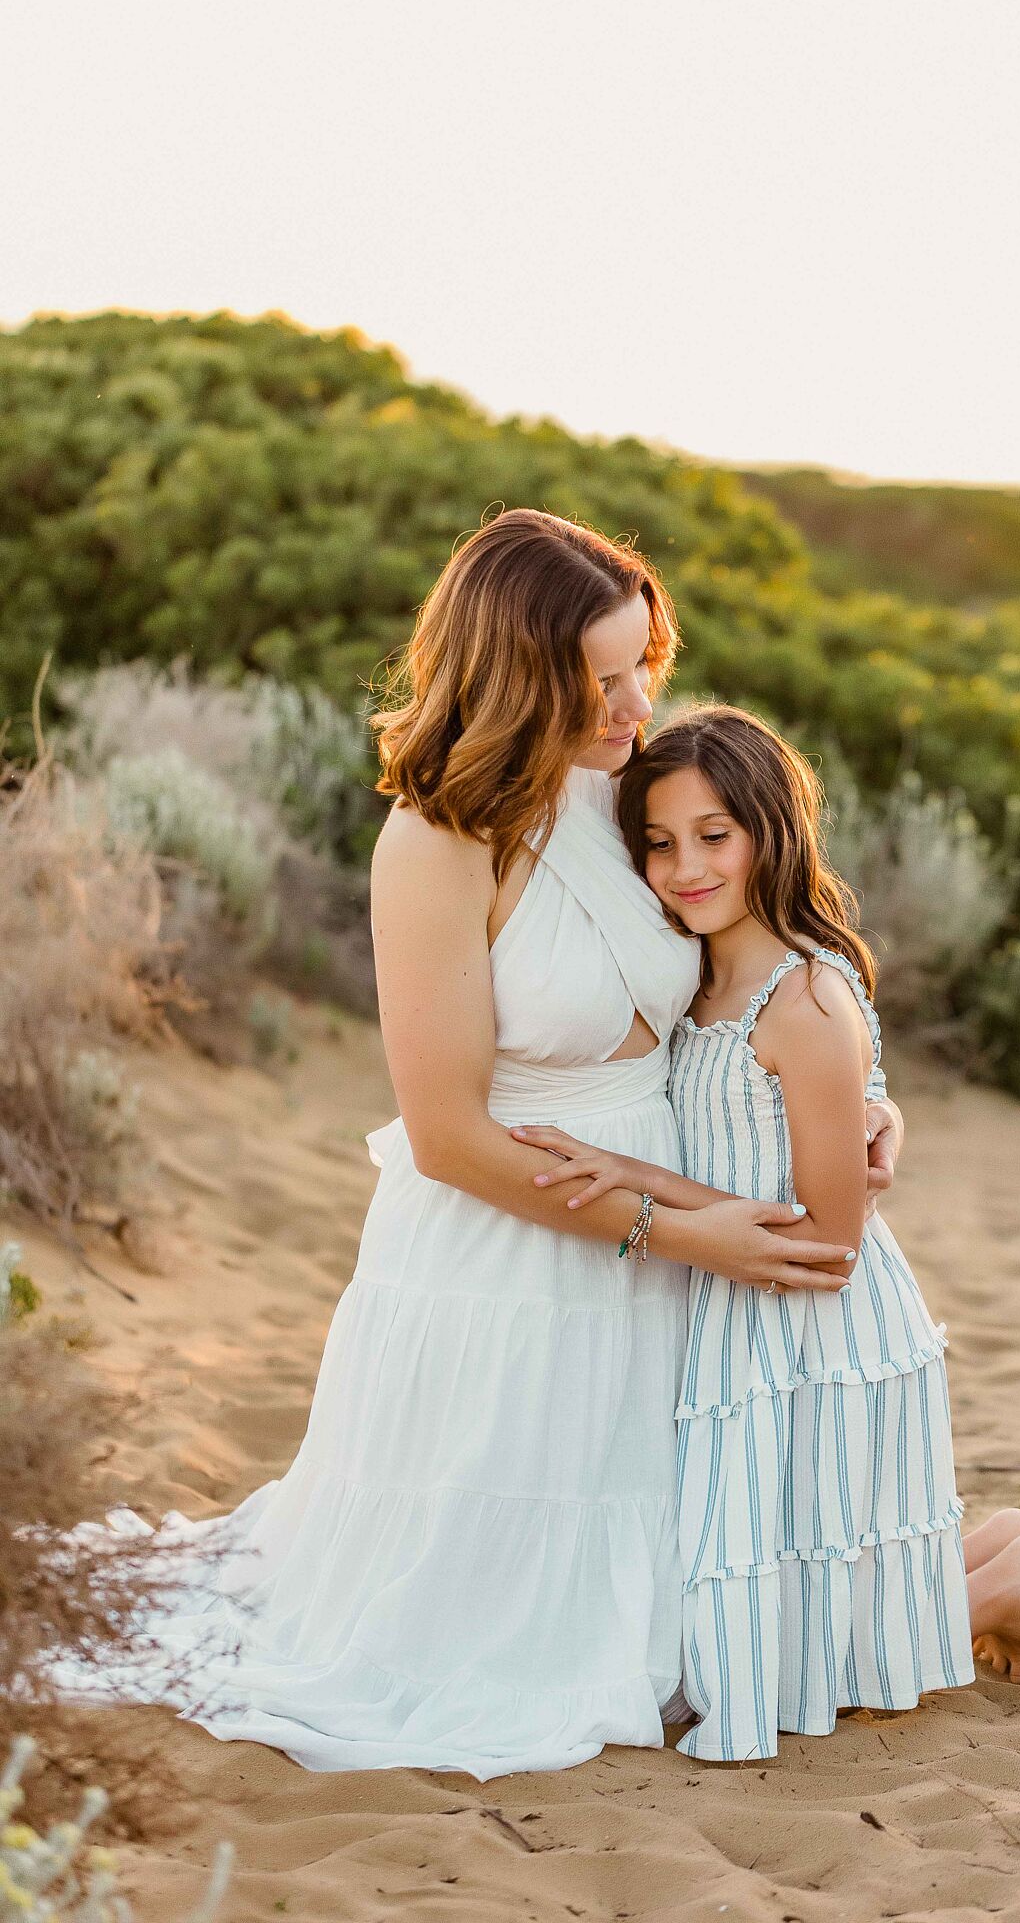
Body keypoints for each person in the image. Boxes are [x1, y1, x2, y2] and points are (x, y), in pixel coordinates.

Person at [47, 512, 903, 1780]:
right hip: (516, 1245)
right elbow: (446, 1134)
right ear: (517, 673)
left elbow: (764, 949)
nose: (637, 701)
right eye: (601, 678)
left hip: (672, 1238)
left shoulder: (633, 797)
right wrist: (678, 1230)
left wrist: (865, 1091)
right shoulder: (437, 842)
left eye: (644, 661)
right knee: (502, 1628)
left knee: (695, 1587)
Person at [510, 704, 1020, 1761]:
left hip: (814, 1332)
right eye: (658, 840)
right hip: (730, 1314)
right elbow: (858, 1104)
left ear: (771, 831)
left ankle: (1007, 1577)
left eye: (714, 834)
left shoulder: (803, 995)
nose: (684, 866)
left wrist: (637, 1179)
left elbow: (830, 1242)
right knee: (767, 1616)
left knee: (784, 1676)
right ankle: (993, 1553)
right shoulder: (692, 975)